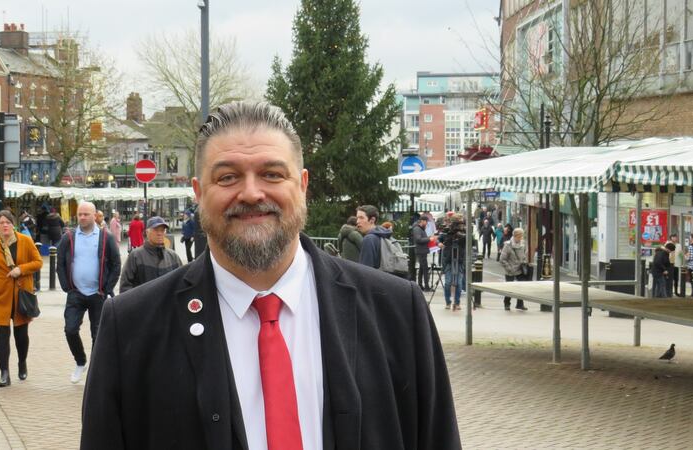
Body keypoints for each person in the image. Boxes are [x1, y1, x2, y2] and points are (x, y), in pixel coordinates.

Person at [80, 101, 460, 449]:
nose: (250, 192)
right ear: (198, 193)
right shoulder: (130, 328)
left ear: (303, 186)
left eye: (272, 174)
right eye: (227, 177)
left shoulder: (397, 312)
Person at [57, 201, 121, 384]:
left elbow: (116, 264)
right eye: (80, 214)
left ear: (95, 216)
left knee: (98, 334)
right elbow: (60, 262)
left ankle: (95, 370)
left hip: (97, 294)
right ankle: (80, 361)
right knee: (70, 329)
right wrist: (66, 286)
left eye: (86, 214)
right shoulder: (68, 237)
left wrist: (106, 289)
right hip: (76, 293)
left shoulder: (105, 237)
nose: (82, 217)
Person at [0, 210, 43, 387]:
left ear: (13, 224)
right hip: (0, 295)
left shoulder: (25, 241)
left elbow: (38, 262)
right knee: (1, 335)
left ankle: (22, 362)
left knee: (21, 335)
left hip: (21, 295)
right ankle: (4, 373)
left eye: (8, 222)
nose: (5, 225)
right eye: (1, 223)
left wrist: (20, 269)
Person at [119, 216, 182, 293]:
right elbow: (125, 286)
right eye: (156, 230)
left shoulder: (173, 257)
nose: (160, 233)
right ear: (147, 232)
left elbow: (181, 284)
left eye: (162, 230)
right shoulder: (136, 256)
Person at [439, 214, 472, 311]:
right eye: (459, 222)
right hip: (449, 259)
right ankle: (448, 302)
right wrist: (439, 243)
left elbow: (471, 241)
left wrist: (463, 235)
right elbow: (439, 239)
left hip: (460, 260)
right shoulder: (447, 231)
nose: (460, 225)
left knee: (459, 283)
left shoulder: (465, 232)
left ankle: (457, 303)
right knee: (448, 282)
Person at [356, 204, 395, 269]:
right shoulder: (387, 236)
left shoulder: (369, 239)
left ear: (372, 220)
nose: (357, 221)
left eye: (361, 218)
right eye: (357, 218)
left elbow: (365, 270)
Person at [499, 227, 529, 311]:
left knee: (521, 286)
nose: (521, 238)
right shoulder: (508, 245)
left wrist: (524, 262)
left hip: (519, 269)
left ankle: (520, 304)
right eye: (520, 236)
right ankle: (507, 303)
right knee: (510, 288)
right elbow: (502, 259)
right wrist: (509, 268)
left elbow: (524, 256)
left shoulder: (522, 244)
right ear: (516, 236)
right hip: (510, 270)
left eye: (522, 236)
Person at [411, 215, 433, 291]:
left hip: (423, 251)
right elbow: (418, 239)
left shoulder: (421, 229)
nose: (427, 223)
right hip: (420, 251)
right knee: (425, 269)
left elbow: (422, 238)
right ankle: (426, 286)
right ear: (422, 221)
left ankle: (420, 285)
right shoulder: (417, 229)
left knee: (421, 269)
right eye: (426, 222)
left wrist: (429, 238)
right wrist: (429, 239)